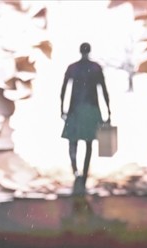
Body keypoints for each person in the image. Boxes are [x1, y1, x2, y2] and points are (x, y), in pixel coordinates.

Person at [60, 42, 111, 179]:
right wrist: (108, 111)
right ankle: (85, 171)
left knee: (73, 141)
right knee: (89, 142)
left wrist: (62, 109)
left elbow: (64, 90)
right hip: (91, 108)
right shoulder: (95, 68)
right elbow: (103, 90)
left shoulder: (72, 68)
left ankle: (75, 170)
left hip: (75, 108)